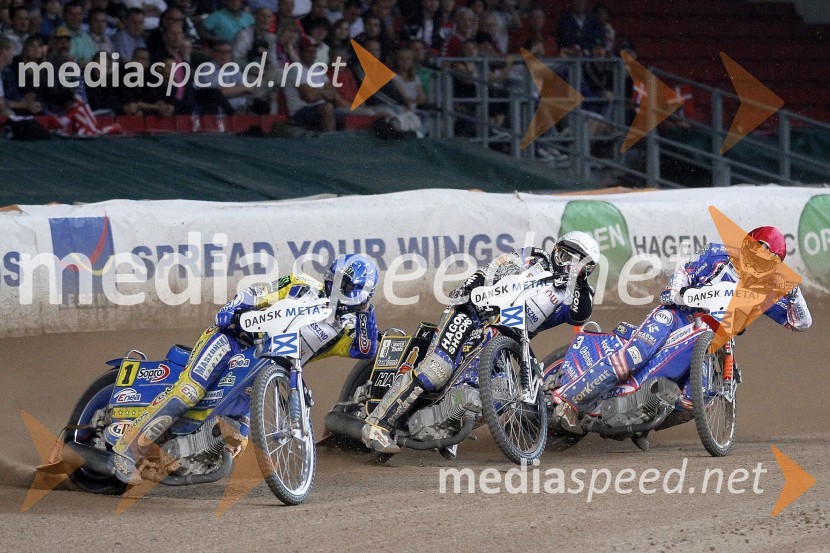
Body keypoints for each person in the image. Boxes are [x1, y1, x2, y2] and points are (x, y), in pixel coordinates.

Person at [111, 254, 381, 485]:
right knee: (189, 392)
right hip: (232, 342)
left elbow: (365, 349)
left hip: (261, 373)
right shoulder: (301, 285)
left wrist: (366, 311)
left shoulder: (344, 330)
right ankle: (127, 449)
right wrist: (234, 309)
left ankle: (168, 459)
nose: (339, 289)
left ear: (364, 294)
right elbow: (258, 292)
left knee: (233, 440)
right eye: (338, 280)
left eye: (348, 286)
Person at [552, 227, 812, 429]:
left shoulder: (764, 291)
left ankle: (638, 424)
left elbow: (801, 322)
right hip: (677, 316)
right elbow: (685, 271)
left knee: (695, 400)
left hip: (710, 340)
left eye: (768, 262)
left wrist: (794, 290)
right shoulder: (719, 254)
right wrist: (675, 292)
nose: (759, 264)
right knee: (636, 354)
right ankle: (569, 404)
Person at [362, 232, 600, 452]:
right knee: (436, 370)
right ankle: (377, 425)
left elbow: (580, 315)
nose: (569, 264)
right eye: (567, 256)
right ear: (557, 250)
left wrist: (576, 280)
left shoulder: (576, 293)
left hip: (506, 338)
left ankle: (446, 426)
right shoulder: (533, 258)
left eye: (579, 263)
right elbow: (489, 271)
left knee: (501, 394)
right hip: (471, 314)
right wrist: (471, 292)